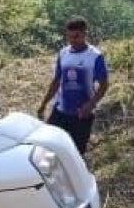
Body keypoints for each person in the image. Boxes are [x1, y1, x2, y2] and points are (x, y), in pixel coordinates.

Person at [37, 17, 108, 156]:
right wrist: (44, 104)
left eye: (76, 36)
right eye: (69, 37)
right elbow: (57, 80)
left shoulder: (95, 56)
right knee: (49, 150)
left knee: (75, 155)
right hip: (60, 111)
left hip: (82, 115)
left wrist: (91, 104)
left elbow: (104, 84)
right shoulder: (63, 53)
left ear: (85, 34)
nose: (72, 40)